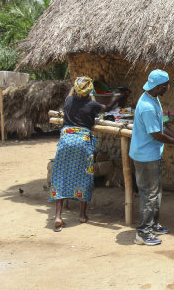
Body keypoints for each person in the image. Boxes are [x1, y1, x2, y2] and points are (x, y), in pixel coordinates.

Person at [49, 76, 123, 232]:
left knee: (61, 175)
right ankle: (82, 215)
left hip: (66, 139)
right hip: (82, 141)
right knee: (84, 176)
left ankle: (57, 216)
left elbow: (70, 94)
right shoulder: (92, 104)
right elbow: (107, 108)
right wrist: (117, 98)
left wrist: (75, 85)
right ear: (90, 91)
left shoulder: (69, 101)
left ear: (75, 90)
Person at [130, 69, 174, 246]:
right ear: (159, 86)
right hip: (145, 156)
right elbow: (156, 133)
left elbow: (161, 125)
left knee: (155, 192)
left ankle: (153, 224)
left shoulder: (154, 99)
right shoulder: (146, 106)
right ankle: (143, 233)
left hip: (151, 154)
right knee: (149, 194)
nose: (168, 87)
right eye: (166, 85)